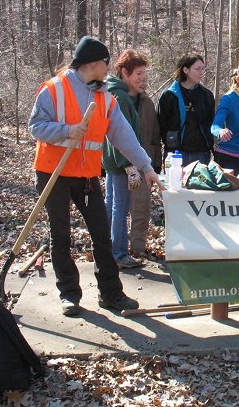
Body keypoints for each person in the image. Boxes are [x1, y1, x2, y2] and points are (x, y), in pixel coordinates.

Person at [28, 36, 164, 317]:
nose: (108, 67)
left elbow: (124, 137)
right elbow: (36, 126)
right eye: (105, 62)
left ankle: (111, 294)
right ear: (92, 63)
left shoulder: (105, 98)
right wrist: (65, 130)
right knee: (61, 234)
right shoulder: (53, 89)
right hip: (54, 173)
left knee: (102, 234)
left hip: (87, 177)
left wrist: (146, 167)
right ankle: (69, 294)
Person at [103, 49, 149, 269]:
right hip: (121, 163)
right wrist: (130, 165)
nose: (142, 78)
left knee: (113, 206)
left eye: (144, 74)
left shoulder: (120, 94)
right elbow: (120, 137)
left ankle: (110, 251)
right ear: (124, 72)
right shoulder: (119, 96)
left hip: (117, 163)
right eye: (138, 73)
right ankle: (118, 254)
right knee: (119, 208)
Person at [158, 54, 215, 166]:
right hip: (176, 153)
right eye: (197, 68)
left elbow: (211, 122)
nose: (201, 72)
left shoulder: (206, 95)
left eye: (203, 68)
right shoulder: (169, 95)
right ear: (185, 70)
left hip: (202, 153)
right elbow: (161, 124)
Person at [128, 70, 161, 258]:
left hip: (142, 166)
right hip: (123, 164)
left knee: (141, 206)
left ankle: (137, 247)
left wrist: (155, 163)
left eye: (146, 78)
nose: (143, 82)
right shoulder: (118, 100)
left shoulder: (147, 103)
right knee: (118, 208)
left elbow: (155, 136)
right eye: (139, 77)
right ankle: (115, 248)